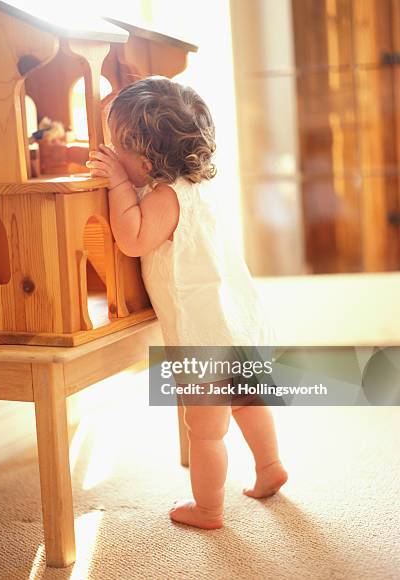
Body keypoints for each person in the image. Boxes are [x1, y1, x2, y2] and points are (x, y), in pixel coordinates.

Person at [87, 76, 288, 530]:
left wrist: (118, 184)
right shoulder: (194, 188)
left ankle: (209, 509)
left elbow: (134, 239)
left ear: (145, 160)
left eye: (119, 146)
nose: (113, 153)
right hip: (235, 323)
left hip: (204, 339)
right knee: (248, 404)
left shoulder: (164, 198)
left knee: (206, 431)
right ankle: (270, 466)